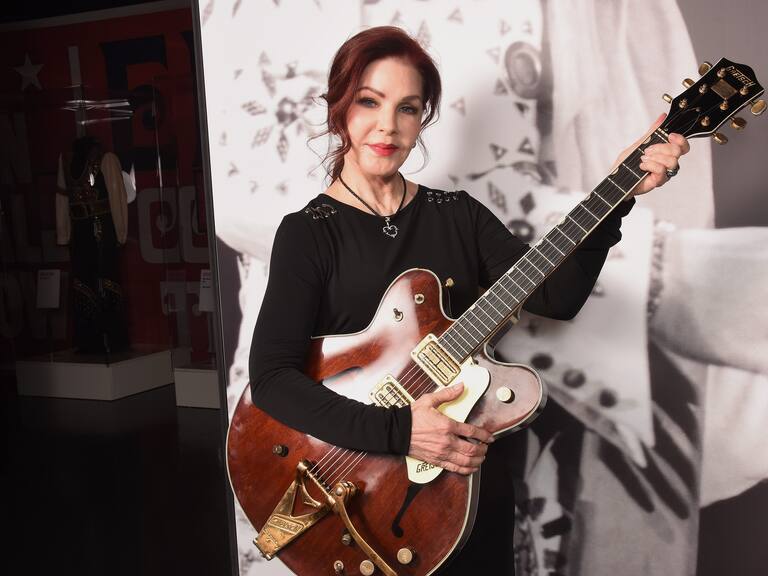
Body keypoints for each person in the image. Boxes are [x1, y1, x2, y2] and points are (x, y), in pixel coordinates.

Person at [248, 26, 689, 575]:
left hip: (464, 487)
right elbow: (271, 379)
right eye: (369, 102)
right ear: (339, 108)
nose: (388, 126)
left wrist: (619, 195)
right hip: (361, 490)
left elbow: (557, 297)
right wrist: (403, 432)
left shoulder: (457, 215)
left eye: (408, 108)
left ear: (424, 118)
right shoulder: (308, 233)